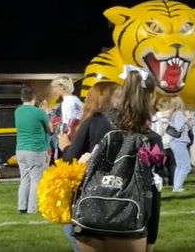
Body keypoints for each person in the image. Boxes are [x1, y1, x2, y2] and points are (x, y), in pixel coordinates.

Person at [74, 69, 163, 252]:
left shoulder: (97, 121)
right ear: (151, 96)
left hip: (89, 215)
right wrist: (151, 239)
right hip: (127, 222)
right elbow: (153, 191)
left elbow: (71, 158)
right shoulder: (150, 138)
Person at [58, 81, 119, 252]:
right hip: (116, 186)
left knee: (72, 229)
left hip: (92, 187)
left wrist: (65, 146)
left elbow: (71, 157)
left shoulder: (95, 120)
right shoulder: (120, 121)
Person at [15, 87, 52, 215]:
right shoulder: (39, 112)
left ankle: (22, 207)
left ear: (21, 98)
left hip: (20, 149)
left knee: (24, 179)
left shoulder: (17, 111)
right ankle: (32, 209)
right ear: (34, 98)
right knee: (35, 180)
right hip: (35, 149)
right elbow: (50, 129)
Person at [168, 97, 193, 192]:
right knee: (186, 166)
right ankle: (178, 186)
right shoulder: (179, 114)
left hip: (175, 141)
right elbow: (179, 128)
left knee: (179, 165)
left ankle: (176, 186)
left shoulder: (173, 114)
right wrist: (187, 121)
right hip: (180, 141)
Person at [50, 76, 83, 140]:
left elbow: (68, 125)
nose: (54, 90)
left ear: (62, 87)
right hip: (78, 136)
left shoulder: (66, 103)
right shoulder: (76, 100)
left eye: (55, 87)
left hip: (69, 138)